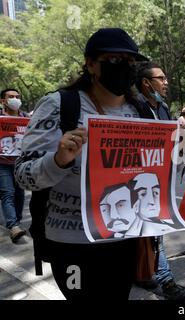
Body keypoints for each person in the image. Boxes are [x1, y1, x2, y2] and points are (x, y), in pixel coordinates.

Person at [14, 28, 150, 299]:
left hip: (124, 238)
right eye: (114, 60)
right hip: (72, 243)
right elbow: (22, 175)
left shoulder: (142, 111)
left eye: (131, 62)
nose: (124, 67)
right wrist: (58, 161)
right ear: (90, 64)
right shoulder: (60, 106)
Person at [135, 63, 185, 300]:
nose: (166, 82)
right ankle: (166, 281)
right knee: (152, 228)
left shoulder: (162, 108)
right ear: (146, 83)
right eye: (161, 78)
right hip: (137, 179)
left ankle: (143, 275)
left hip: (160, 178)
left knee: (150, 230)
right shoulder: (134, 107)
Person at [0, 88, 28, 243]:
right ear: (3, 101)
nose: (15, 99)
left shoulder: (26, 118)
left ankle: (16, 223)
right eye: (11, 97)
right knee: (8, 192)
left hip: (20, 161)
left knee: (19, 193)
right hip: (2, 162)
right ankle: (13, 225)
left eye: (17, 96)